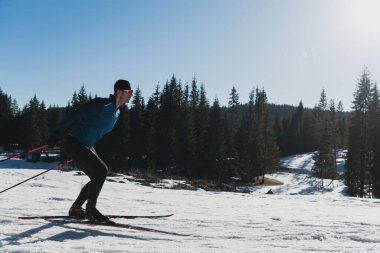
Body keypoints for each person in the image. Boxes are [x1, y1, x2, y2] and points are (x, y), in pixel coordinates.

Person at [47, 79, 133, 222]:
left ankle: (76, 208)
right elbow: (76, 114)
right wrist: (57, 133)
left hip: (84, 145)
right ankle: (91, 209)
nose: (131, 94)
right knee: (101, 171)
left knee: (98, 175)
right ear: (119, 92)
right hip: (73, 142)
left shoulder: (116, 112)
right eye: (128, 92)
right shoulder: (103, 104)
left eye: (131, 92)